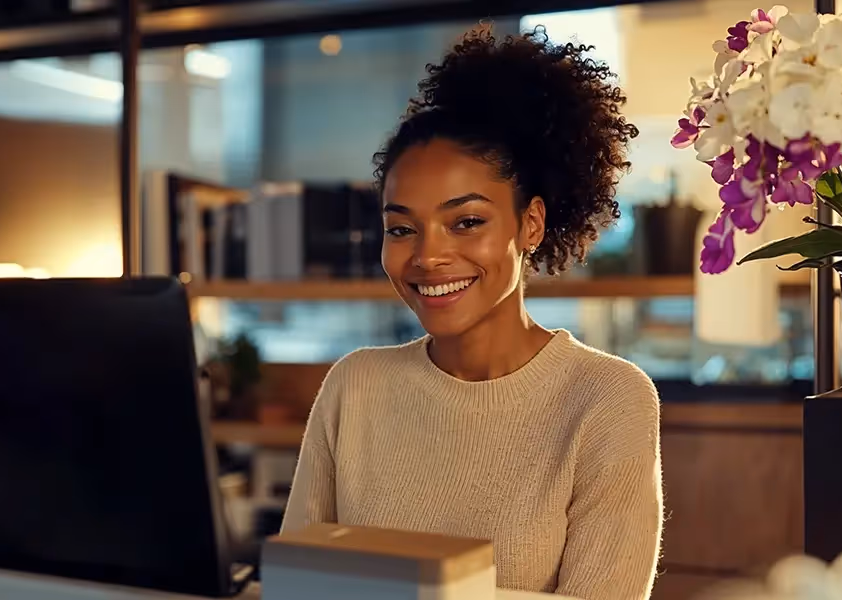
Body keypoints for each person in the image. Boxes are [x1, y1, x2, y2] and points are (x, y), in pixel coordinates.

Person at [281, 26, 662, 599]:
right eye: (402, 228)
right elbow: (300, 588)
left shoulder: (606, 399)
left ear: (529, 225)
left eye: (467, 222)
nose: (429, 256)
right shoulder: (354, 386)